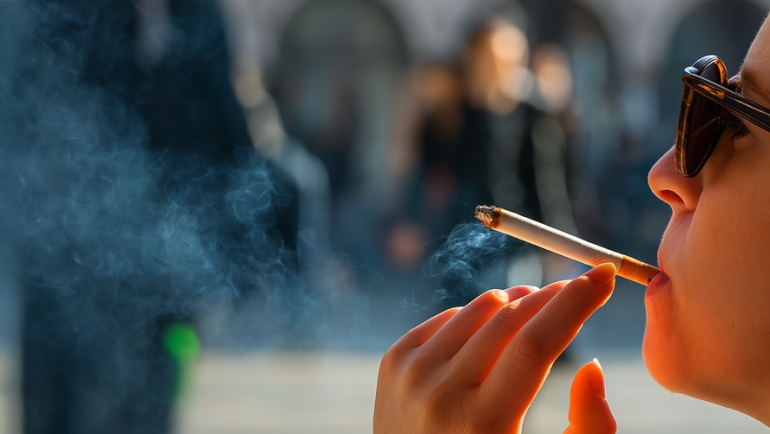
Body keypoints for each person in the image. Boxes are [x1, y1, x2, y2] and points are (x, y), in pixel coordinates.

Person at [373, 12, 770, 434]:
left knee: (512, 329)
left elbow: (547, 181)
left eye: (734, 124)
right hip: (462, 229)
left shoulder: (530, 113)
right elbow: (427, 172)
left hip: (518, 233)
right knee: (464, 333)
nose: (663, 175)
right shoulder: (453, 111)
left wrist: (555, 238)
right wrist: (410, 218)